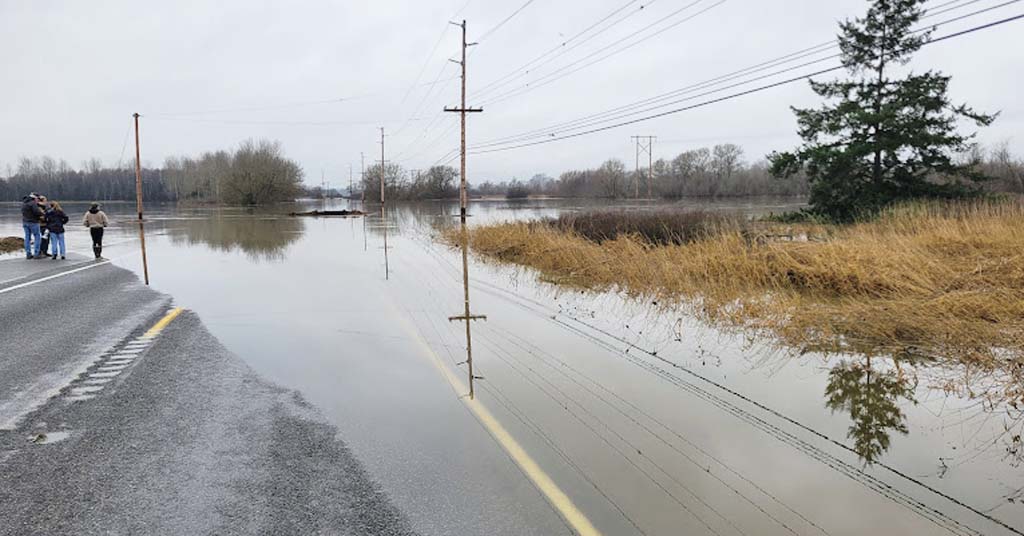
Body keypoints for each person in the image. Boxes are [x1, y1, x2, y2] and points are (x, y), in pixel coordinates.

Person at [20, 195, 44, 259]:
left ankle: (28, 253)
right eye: (37, 198)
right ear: (34, 198)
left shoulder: (24, 203)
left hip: (25, 222)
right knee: (37, 237)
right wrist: (42, 214)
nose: (38, 200)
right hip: (33, 222)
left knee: (27, 238)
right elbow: (37, 212)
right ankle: (36, 253)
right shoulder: (32, 203)